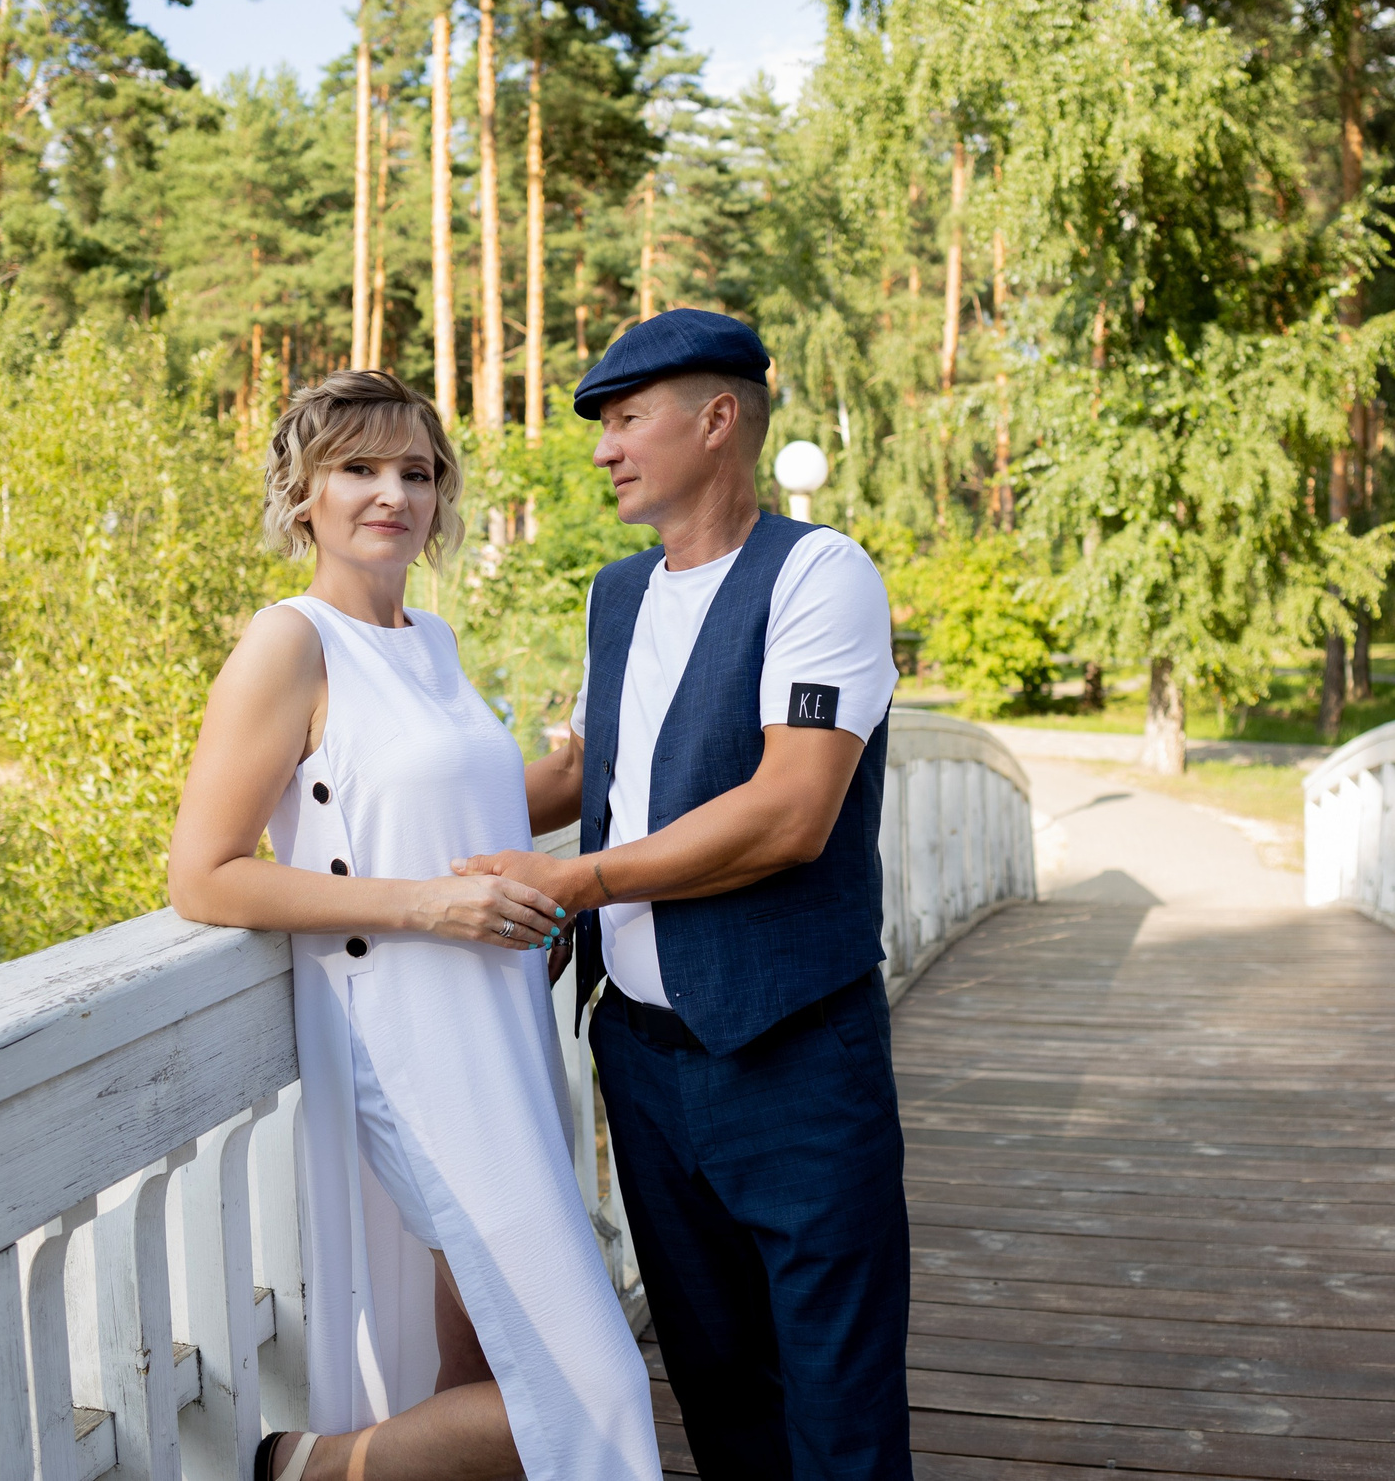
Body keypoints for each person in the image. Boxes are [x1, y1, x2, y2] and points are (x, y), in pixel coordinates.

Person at [167, 369, 660, 1481]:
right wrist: (428, 905)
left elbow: (466, 807)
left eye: (417, 472)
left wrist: (584, 765)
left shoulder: (427, 641)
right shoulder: (286, 644)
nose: (391, 493)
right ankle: (305, 1466)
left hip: (501, 1035)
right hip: (411, 1044)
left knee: (489, 1358)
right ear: (303, 493)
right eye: (358, 469)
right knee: (588, 1388)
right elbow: (204, 876)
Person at [458, 309, 911, 1480]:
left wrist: (579, 882)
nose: (602, 449)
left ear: (717, 421)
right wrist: (386, 844)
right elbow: (587, 773)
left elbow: (789, 810)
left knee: (836, 1399)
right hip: (645, 1064)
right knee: (716, 1391)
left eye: (623, 421)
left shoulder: (821, 575)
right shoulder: (618, 595)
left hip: (793, 1052)